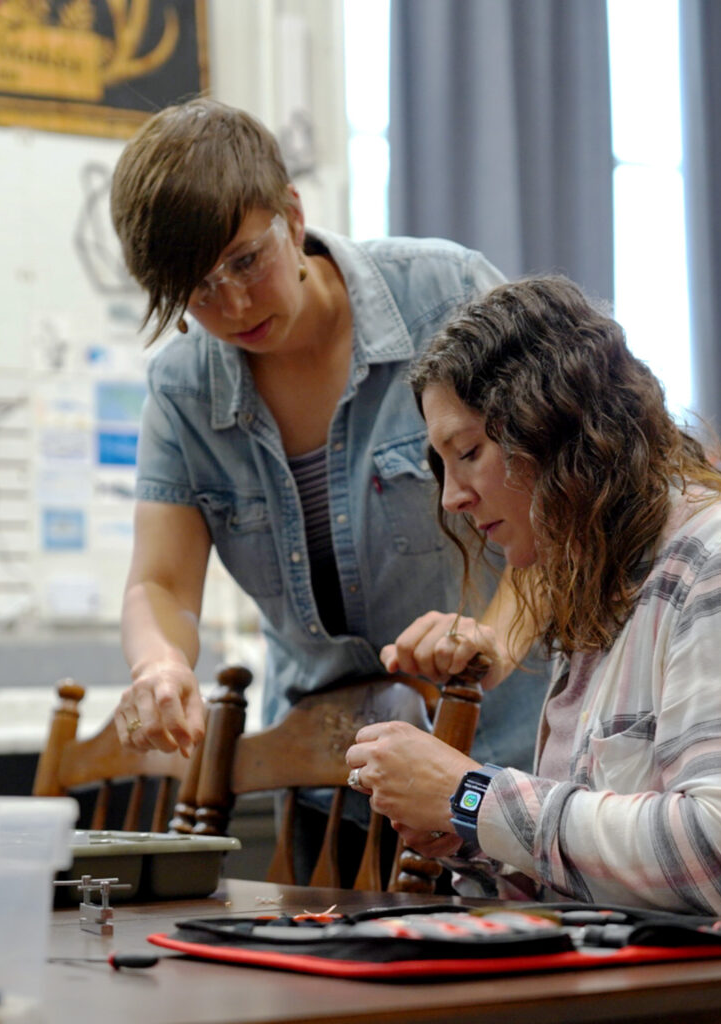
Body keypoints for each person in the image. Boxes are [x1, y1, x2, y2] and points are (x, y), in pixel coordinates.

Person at [107, 97, 548, 869]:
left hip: (502, 768)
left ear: (291, 212)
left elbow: (560, 510)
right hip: (330, 785)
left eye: (246, 261)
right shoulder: (182, 389)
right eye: (197, 291)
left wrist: (492, 641)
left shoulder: (443, 296)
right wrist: (160, 666)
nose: (233, 304)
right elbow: (161, 584)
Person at [346, 275, 721, 917]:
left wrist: (469, 796)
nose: (451, 497)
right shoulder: (598, 580)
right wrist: (469, 835)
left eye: (469, 452)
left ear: (554, 427)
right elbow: (581, 870)